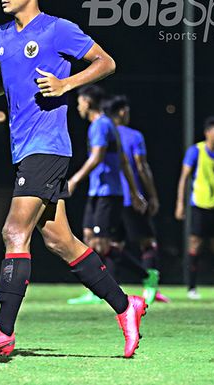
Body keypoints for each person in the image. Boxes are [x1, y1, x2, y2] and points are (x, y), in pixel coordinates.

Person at [0, 0, 147, 358]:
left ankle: (3, 330)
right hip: (24, 148)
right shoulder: (0, 35)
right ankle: (126, 305)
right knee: (61, 241)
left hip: (49, 146)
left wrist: (66, 84)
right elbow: (2, 87)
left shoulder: (58, 30)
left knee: (14, 232)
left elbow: (106, 62)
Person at [65, 87, 150, 305]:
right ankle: (95, 289)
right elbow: (122, 161)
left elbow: (97, 157)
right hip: (98, 192)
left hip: (108, 194)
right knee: (88, 240)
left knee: (102, 245)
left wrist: (74, 180)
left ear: (87, 101)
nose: (78, 106)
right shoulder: (104, 125)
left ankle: (145, 274)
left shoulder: (102, 125)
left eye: (79, 102)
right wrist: (134, 192)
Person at [105, 95, 170, 304]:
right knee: (148, 242)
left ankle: (108, 290)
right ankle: (150, 286)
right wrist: (151, 195)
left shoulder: (104, 132)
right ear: (123, 112)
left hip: (109, 197)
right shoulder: (134, 136)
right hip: (132, 198)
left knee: (113, 244)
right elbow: (141, 167)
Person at [175, 116, 214, 300]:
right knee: (195, 245)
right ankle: (192, 288)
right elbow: (184, 178)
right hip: (199, 206)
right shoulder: (195, 151)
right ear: (207, 133)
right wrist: (180, 204)